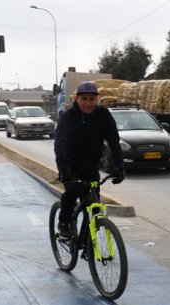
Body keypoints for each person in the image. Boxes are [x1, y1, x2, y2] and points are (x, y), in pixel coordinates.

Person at [54, 81, 124, 239]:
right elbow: (60, 144)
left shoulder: (103, 115)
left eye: (92, 99)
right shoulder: (68, 117)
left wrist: (119, 167)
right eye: (84, 99)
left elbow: (114, 141)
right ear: (77, 99)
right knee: (71, 193)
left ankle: (87, 244)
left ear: (96, 99)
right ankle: (63, 224)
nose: (88, 103)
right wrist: (64, 170)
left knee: (94, 208)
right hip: (71, 166)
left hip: (91, 167)